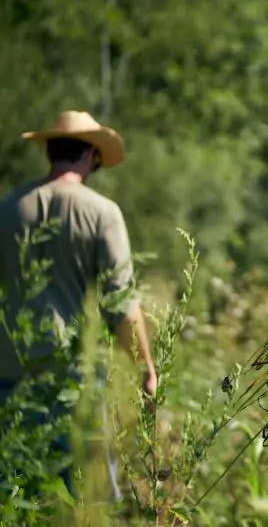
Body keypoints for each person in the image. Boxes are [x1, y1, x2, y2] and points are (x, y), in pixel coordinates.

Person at [0, 110, 158, 498]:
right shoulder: (103, 213)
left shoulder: (8, 208)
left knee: (15, 498)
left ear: (50, 152)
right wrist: (146, 370)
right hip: (74, 383)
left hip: (8, 379)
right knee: (85, 502)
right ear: (90, 155)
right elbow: (121, 303)